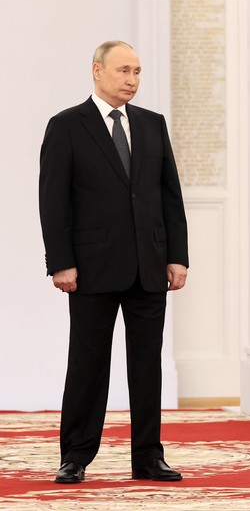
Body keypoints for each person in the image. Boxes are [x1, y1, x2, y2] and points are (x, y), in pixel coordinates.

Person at [39, 41, 189, 483]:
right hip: (91, 269)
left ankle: (148, 457)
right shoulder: (67, 125)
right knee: (87, 364)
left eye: (138, 71)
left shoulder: (152, 125)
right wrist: (60, 263)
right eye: (124, 70)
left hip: (149, 266)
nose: (132, 79)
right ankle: (76, 456)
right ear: (97, 71)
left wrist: (177, 256)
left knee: (147, 365)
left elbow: (168, 195)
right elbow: (53, 200)